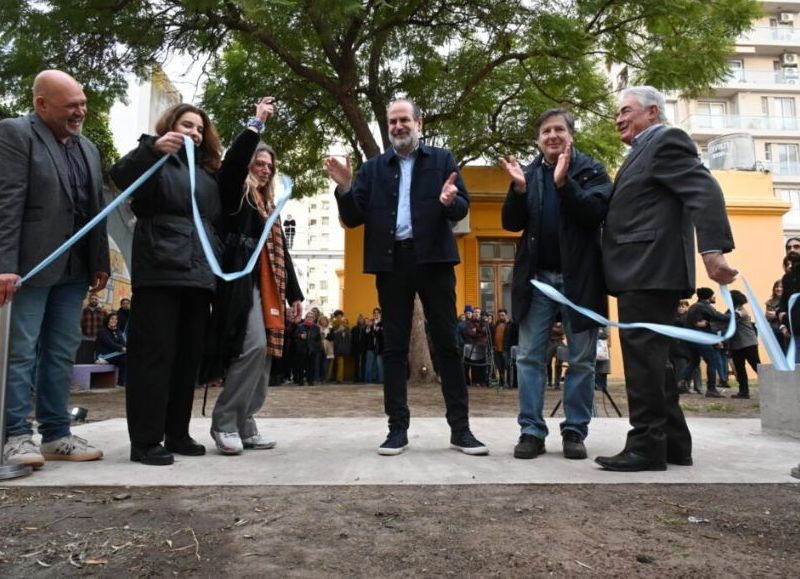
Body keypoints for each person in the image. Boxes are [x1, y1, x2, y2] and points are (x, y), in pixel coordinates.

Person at [109, 100, 270, 465]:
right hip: (160, 271)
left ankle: (177, 432)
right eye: (186, 125)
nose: (194, 133)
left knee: (186, 358)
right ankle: (146, 440)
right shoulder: (154, 160)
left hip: (199, 276)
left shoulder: (210, 176)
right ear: (170, 127)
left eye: (199, 129)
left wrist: (255, 125)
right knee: (154, 357)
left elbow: (233, 171)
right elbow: (120, 175)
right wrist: (152, 149)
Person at [324, 97, 488, 456]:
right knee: (394, 348)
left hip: (434, 261)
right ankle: (397, 429)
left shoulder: (442, 160)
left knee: (447, 343)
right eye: (392, 122)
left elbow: (461, 206)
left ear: (419, 123)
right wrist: (346, 187)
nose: (397, 127)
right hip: (391, 262)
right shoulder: (372, 169)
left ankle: (461, 430)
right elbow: (353, 218)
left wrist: (450, 201)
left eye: (404, 121)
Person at [597, 86, 737, 472]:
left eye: (626, 111)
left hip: (649, 270)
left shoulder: (666, 141)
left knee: (644, 362)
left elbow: (703, 189)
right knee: (655, 362)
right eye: (617, 113)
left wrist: (713, 249)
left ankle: (645, 447)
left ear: (653, 112)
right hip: (642, 270)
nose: (618, 119)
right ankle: (674, 444)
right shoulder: (643, 150)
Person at [0, 70, 109, 468]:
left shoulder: (89, 149)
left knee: (62, 352)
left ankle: (56, 434)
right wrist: (4, 266)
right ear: (41, 104)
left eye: (82, 103)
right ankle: (14, 435)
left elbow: (97, 211)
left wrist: (99, 261)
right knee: (20, 353)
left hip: (75, 269)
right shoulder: (15, 134)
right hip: (29, 269)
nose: (80, 111)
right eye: (71, 106)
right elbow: (7, 203)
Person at [500, 108, 611, 460]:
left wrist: (565, 184)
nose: (552, 136)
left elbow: (595, 214)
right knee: (530, 358)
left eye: (559, 130)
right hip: (537, 282)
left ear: (570, 135)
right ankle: (531, 431)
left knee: (581, 360)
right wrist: (518, 190)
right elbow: (509, 223)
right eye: (546, 131)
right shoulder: (528, 173)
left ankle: (575, 430)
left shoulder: (591, 170)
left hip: (580, 281)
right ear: (538, 139)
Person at [207, 119, 304, 454]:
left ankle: (246, 423)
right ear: (249, 165)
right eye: (259, 164)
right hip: (241, 283)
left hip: (270, 288)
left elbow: (281, 253)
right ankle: (224, 422)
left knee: (265, 356)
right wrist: (255, 126)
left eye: (270, 166)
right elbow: (232, 166)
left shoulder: (270, 207)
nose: (265, 170)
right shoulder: (238, 197)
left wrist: (295, 295)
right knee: (253, 348)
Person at [679, 288, 730, 397]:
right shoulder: (704, 306)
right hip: (700, 338)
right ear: (708, 297)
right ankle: (711, 388)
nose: (714, 297)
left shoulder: (694, 306)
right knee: (712, 361)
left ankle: (682, 383)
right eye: (713, 295)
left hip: (691, 339)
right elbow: (718, 316)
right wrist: (735, 315)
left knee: (694, 361)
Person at [727, 289, 759, 399]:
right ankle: (743, 392)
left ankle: (771, 386)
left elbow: (728, 320)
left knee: (756, 366)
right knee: (740, 369)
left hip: (747, 343)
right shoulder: (733, 310)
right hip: (738, 344)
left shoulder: (739, 311)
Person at [95, 312, 127, 386]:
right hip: (103, 356)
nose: (114, 320)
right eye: (112, 319)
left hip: (115, 355)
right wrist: (122, 348)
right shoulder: (102, 331)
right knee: (125, 356)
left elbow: (123, 343)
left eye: (116, 319)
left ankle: (122, 381)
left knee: (125, 358)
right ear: (108, 320)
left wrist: (116, 332)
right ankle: (122, 381)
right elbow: (110, 344)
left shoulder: (118, 331)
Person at [462, 307, 489, 387]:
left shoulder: (484, 322)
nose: (477, 313)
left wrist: (476, 330)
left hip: (483, 346)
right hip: (473, 347)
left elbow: (485, 332)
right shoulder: (469, 323)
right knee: (474, 365)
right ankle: (475, 381)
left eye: (478, 312)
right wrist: (479, 332)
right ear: (473, 313)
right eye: (475, 312)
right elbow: (470, 333)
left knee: (483, 365)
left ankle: (483, 381)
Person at [491, 309, 510, 388]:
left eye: (502, 315)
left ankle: (508, 382)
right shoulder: (495, 325)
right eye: (499, 315)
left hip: (505, 349)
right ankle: (501, 382)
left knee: (507, 366)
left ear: (506, 315)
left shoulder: (509, 325)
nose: (501, 317)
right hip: (497, 349)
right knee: (500, 367)